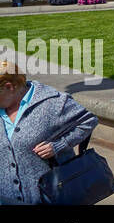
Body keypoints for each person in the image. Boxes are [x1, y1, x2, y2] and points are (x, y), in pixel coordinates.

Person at [0, 57, 100, 204]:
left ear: (10, 87)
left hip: (50, 197)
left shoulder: (52, 103)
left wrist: (59, 145)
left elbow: (88, 121)